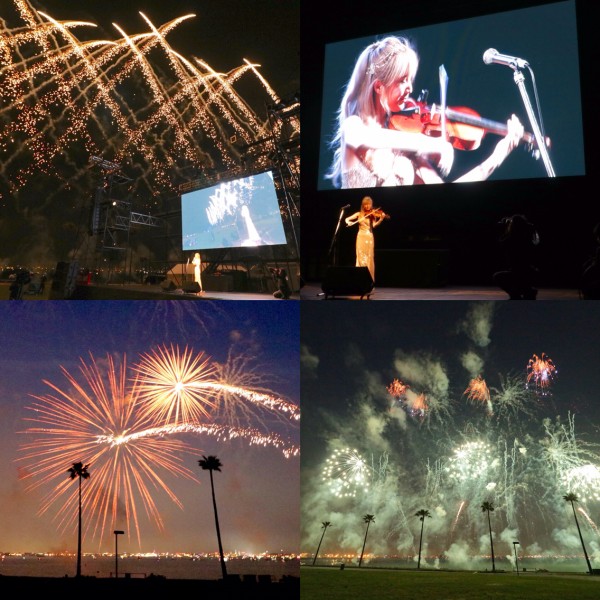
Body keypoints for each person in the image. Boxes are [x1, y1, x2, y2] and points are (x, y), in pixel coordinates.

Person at [326, 36, 524, 188]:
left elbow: (447, 196)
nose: (410, 89)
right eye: (402, 80)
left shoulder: (403, 142)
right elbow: (374, 136)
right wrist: (435, 144)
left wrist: (496, 158)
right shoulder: (353, 127)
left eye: (410, 80)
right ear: (379, 87)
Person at [493, 214, 539, 300]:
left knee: (498, 277)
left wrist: (504, 228)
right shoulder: (528, 239)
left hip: (521, 272)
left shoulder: (513, 240)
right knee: (521, 283)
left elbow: (502, 242)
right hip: (530, 272)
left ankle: (521, 292)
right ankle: (527, 290)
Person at [345, 195, 386, 282]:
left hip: (369, 236)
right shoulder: (358, 214)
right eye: (365, 204)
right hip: (360, 237)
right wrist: (349, 222)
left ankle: (368, 280)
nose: (367, 206)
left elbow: (374, 226)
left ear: (371, 205)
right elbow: (347, 219)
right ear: (363, 205)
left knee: (369, 257)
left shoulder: (372, 215)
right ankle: (359, 279)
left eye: (369, 204)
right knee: (360, 256)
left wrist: (381, 219)